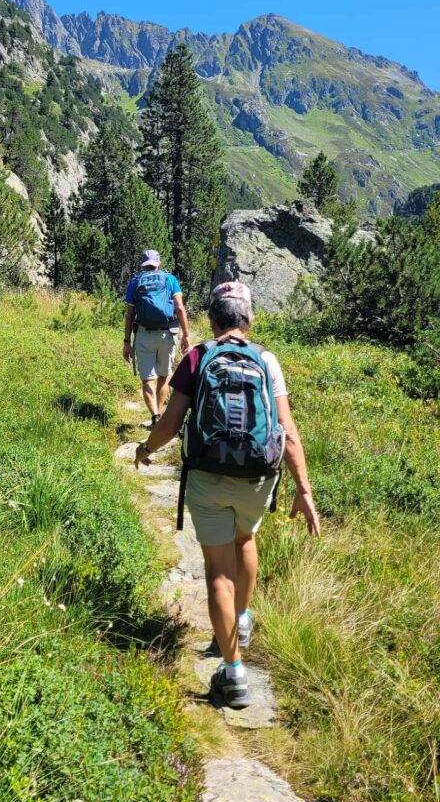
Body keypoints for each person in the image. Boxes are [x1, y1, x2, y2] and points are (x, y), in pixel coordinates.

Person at [134, 280, 321, 709]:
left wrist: (146, 450)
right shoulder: (267, 361)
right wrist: (303, 491)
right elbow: (288, 433)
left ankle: (233, 673)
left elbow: (169, 424)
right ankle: (240, 619)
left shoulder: (197, 356)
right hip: (258, 478)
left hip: (208, 476)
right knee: (246, 539)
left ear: (213, 319)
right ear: (249, 320)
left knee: (218, 571)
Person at [123, 250, 190, 424]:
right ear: (158, 263)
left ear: (143, 264)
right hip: (167, 334)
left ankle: (155, 415)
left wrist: (127, 342)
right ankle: (159, 415)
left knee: (147, 380)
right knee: (163, 377)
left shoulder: (135, 281)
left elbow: (129, 315)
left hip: (144, 335)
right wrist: (186, 335)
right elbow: (180, 308)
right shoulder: (170, 279)